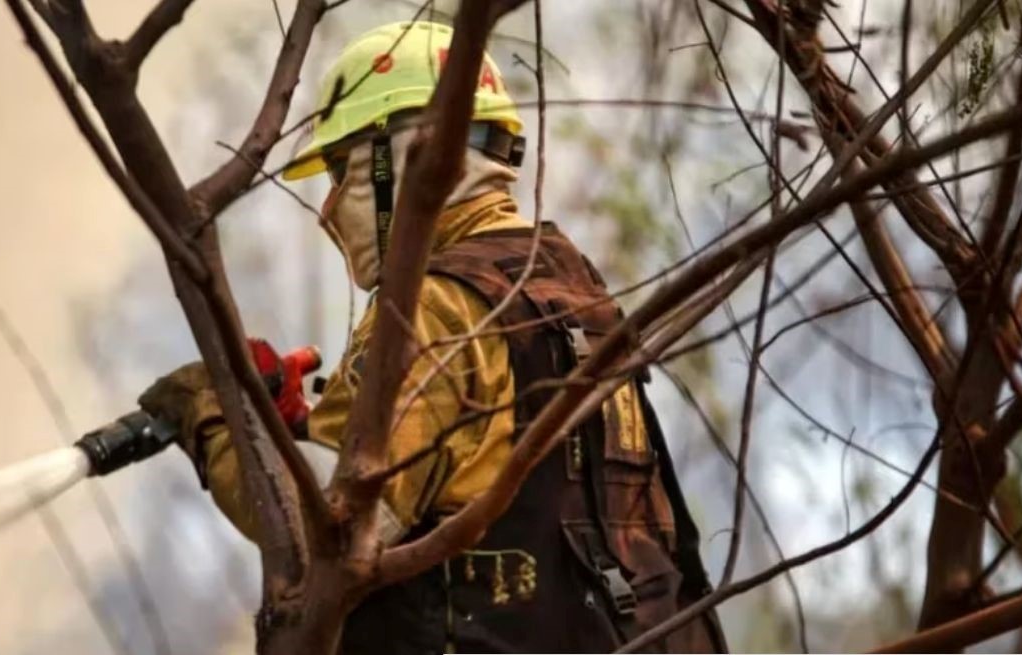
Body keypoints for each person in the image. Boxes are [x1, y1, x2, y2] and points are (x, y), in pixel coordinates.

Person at [140, 20, 727, 654]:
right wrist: (298, 427)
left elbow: (330, 535)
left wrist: (218, 417)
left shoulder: (434, 306)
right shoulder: (566, 279)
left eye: (343, 169)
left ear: (413, 153)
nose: (332, 203)